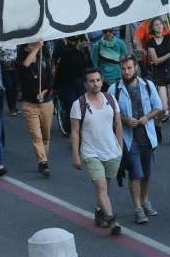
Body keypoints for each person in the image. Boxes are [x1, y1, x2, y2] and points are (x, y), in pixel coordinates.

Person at [108, 56, 162, 225]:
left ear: (136, 67)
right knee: (135, 173)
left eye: (129, 68)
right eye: (123, 69)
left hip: (147, 136)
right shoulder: (114, 89)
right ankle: (137, 208)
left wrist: (147, 117)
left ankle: (145, 200)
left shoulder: (147, 85)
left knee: (146, 173)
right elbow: (110, 114)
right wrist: (124, 120)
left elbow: (158, 107)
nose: (126, 72)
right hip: (128, 139)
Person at [71, 68, 123, 236]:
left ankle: (100, 212)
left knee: (105, 187)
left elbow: (118, 124)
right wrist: (76, 155)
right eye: (92, 81)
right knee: (101, 186)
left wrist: (120, 148)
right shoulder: (79, 104)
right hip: (91, 152)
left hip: (112, 151)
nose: (96, 84)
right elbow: (75, 131)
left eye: (98, 80)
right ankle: (112, 220)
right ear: (85, 84)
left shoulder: (110, 99)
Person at [18, 41, 54, 178]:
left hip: (45, 103)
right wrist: (38, 46)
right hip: (29, 105)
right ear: (26, 49)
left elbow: (50, 82)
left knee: (46, 136)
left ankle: (43, 158)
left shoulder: (44, 62)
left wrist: (43, 93)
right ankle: (43, 162)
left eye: (36, 45)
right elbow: (26, 65)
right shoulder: (22, 63)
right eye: (31, 45)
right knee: (36, 136)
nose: (35, 47)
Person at [146, 17, 170, 145]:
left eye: (160, 24)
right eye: (156, 25)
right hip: (159, 74)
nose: (159, 26)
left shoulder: (169, 38)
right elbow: (155, 61)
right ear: (152, 27)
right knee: (163, 108)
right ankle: (158, 125)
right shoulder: (150, 42)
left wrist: (168, 9)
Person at [55, 36, 92, 134]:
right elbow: (63, 59)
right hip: (65, 82)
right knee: (72, 103)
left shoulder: (84, 51)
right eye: (73, 41)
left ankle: (85, 125)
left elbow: (89, 64)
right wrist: (76, 49)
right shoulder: (62, 47)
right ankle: (70, 127)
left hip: (79, 81)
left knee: (84, 102)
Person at [0, 45, 19, 116]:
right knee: (9, 87)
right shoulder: (2, 43)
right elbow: (0, 57)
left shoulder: (16, 43)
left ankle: (14, 106)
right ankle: (11, 108)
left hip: (15, 69)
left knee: (16, 88)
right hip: (6, 69)